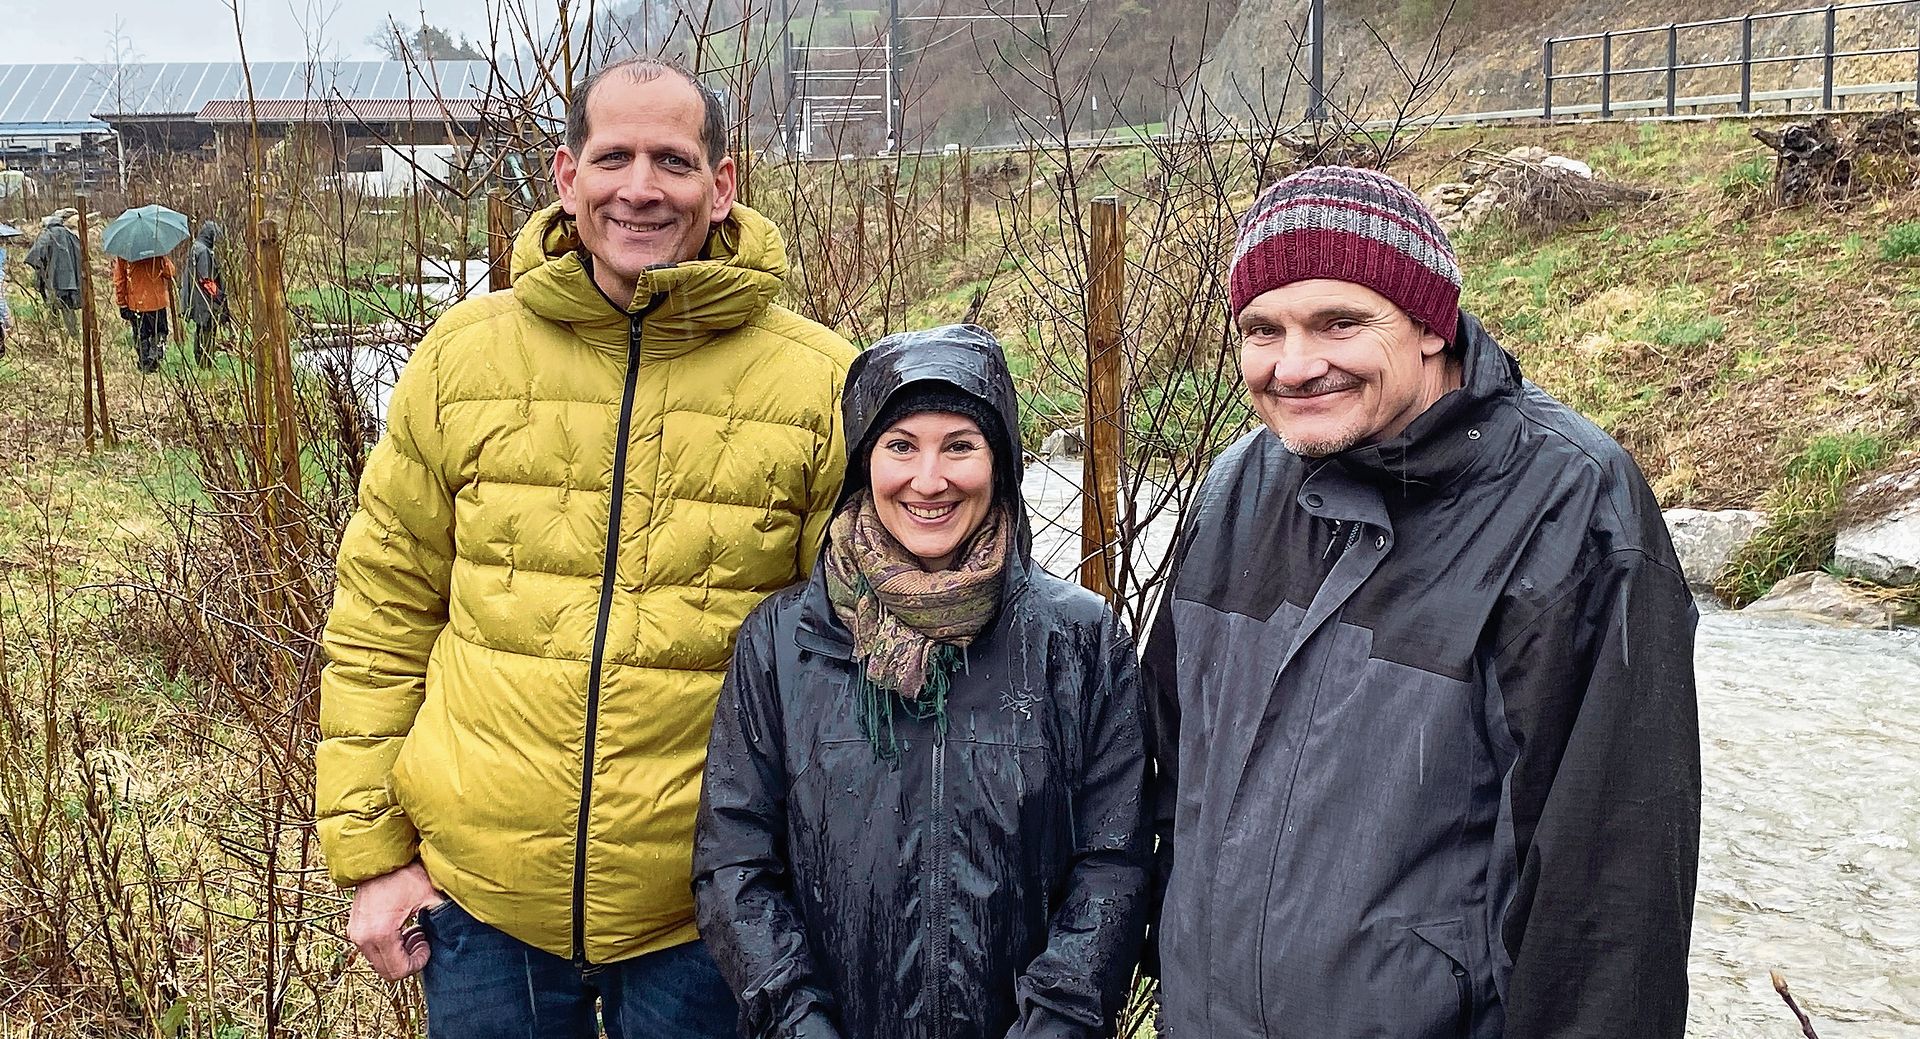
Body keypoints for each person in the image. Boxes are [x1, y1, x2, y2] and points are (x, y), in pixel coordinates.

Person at [314, 56, 856, 1038]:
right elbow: (381, 615)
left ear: (722, 184)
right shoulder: (465, 358)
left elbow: (857, 665)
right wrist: (372, 856)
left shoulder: (818, 384)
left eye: (672, 160)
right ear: (566, 176)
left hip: (707, 912)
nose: (639, 187)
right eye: (614, 157)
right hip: (481, 903)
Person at [1143, 166, 1700, 1038]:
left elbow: (1609, 904)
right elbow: (1172, 775)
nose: (1296, 364)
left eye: (1339, 321)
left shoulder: (1571, 508)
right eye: (1263, 328)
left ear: (1432, 325)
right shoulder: (1236, 489)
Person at [695, 323, 1150, 1039]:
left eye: (960, 445)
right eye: (901, 445)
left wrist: (1055, 1026)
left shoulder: (1080, 641)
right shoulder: (784, 642)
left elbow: (1112, 864)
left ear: (1000, 461)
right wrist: (797, 1022)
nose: (929, 479)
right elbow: (735, 863)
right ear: (863, 462)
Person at [112, 253, 176, 373]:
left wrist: (122, 302)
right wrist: (162, 258)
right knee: (160, 332)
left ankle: (145, 363)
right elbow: (170, 272)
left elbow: (120, 279)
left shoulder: (125, 253)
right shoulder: (156, 248)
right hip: (157, 302)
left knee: (141, 334)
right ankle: (154, 358)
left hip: (136, 303)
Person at [24, 215, 81, 335]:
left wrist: (41, 271)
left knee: (52, 306)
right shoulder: (71, 235)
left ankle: (54, 334)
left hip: (52, 280)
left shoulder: (46, 235)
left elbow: (34, 256)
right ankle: (73, 334)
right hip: (70, 282)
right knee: (67, 307)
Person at [180, 220, 227, 365]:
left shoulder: (195, 247)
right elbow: (205, 280)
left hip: (196, 299)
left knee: (201, 329)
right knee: (207, 330)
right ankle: (205, 362)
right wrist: (219, 295)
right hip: (205, 301)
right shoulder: (204, 251)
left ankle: (202, 360)